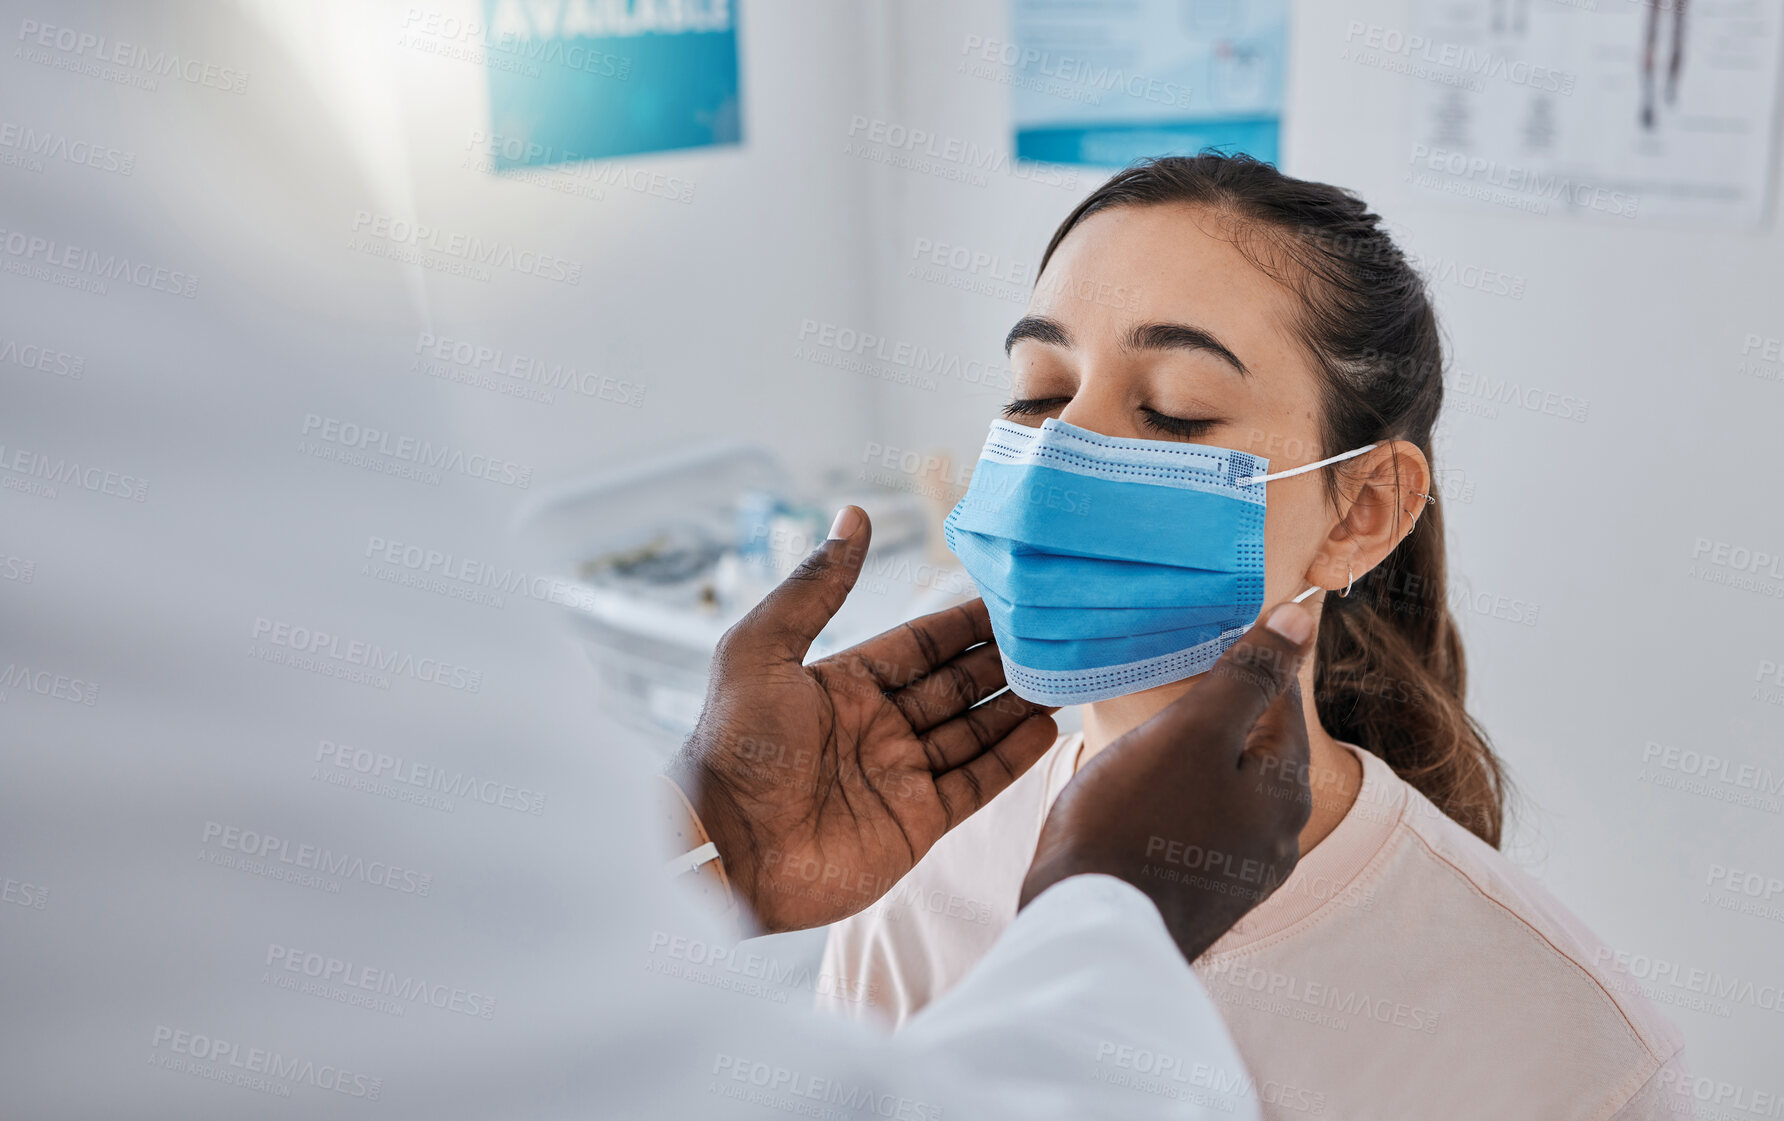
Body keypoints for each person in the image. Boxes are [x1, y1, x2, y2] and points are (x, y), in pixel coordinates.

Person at [817, 154, 1694, 1119]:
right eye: (1037, 391)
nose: (1062, 448)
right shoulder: (916, 871)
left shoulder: (1570, 1047)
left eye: (1173, 411)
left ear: (1360, 511)